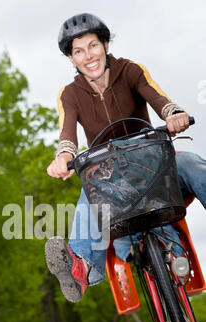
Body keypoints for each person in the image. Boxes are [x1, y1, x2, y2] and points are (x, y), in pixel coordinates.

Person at [45, 13, 206, 303]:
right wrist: (64, 155)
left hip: (155, 163)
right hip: (109, 178)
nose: (88, 57)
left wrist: (174, 115)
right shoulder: (70, 94)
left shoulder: (130, 70)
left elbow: (159, 100)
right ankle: (81, 266)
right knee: (89, 191)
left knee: (192, 164)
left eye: (93, 46)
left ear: (105, 45)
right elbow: (67, 133)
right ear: (71, 59)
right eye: (78, 51)